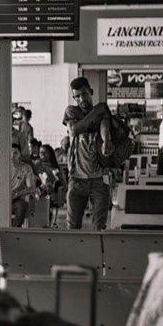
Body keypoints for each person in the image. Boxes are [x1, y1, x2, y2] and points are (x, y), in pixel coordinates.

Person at [63, 77, 112, 230]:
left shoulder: (103, 111)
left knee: (99, 227)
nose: (81, 99)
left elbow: (105, 126)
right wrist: (95, 111)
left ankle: (97, 254)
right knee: (72, 226)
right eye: (77, 96)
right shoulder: (71, 110)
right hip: (76, 180)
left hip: (99, 179)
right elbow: (73, 130)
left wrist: (106, 141)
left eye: (84, 94)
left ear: (91, 92)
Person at [0, 143, 36, 228]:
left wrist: (16, 194)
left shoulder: (26, 168)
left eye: (15, 153)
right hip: (1, 199)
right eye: (10, 153)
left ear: (20, 154)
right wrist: (3, 196)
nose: (12, 156)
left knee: (21, 207)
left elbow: (31, 188)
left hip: (17, 199)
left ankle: (15, 233)